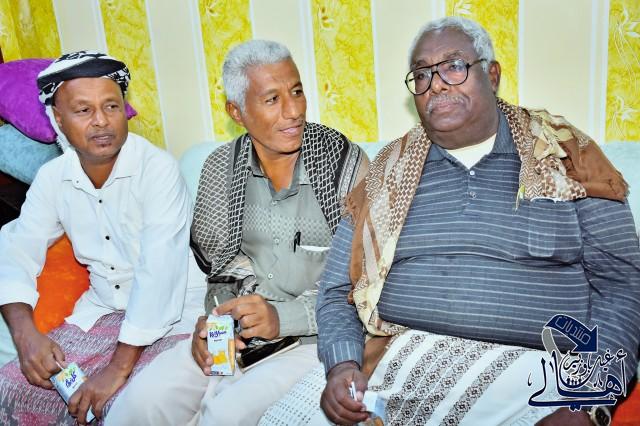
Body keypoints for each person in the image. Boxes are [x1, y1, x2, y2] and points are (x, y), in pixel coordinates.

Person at [260, 17, 640, 426]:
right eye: (422, 74)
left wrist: (586, 400)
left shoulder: (568, 157)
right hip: (396, 360)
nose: (436, 85)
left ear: (491, 75)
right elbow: (338, 291)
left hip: (536, 372)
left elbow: (622, 287)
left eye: (454, 67)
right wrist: (341, 366)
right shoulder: (387, 172)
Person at [105, 39, 369, 425]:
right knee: (140, 404)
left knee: (224, 414)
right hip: (238, 333)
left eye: (296, 92)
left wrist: (282, 317)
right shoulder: (220, 169)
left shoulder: (342, 165)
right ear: (237, 111)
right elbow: (221, 271)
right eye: (272, 99)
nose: (293, 110)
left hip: (313, 338)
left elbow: (366, 281)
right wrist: (215, 323)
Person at [0, 51, 203, 425]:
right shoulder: (52, 178)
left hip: (175, 314)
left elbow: (158, 275)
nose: (101, 121)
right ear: (58, 119)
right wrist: (26, 336)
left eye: (111, 106)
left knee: (124, 406)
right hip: (102, 311)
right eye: (83, 110)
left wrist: (117, 369)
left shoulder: (157, 169)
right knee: (10, 386)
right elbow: (17, 252)